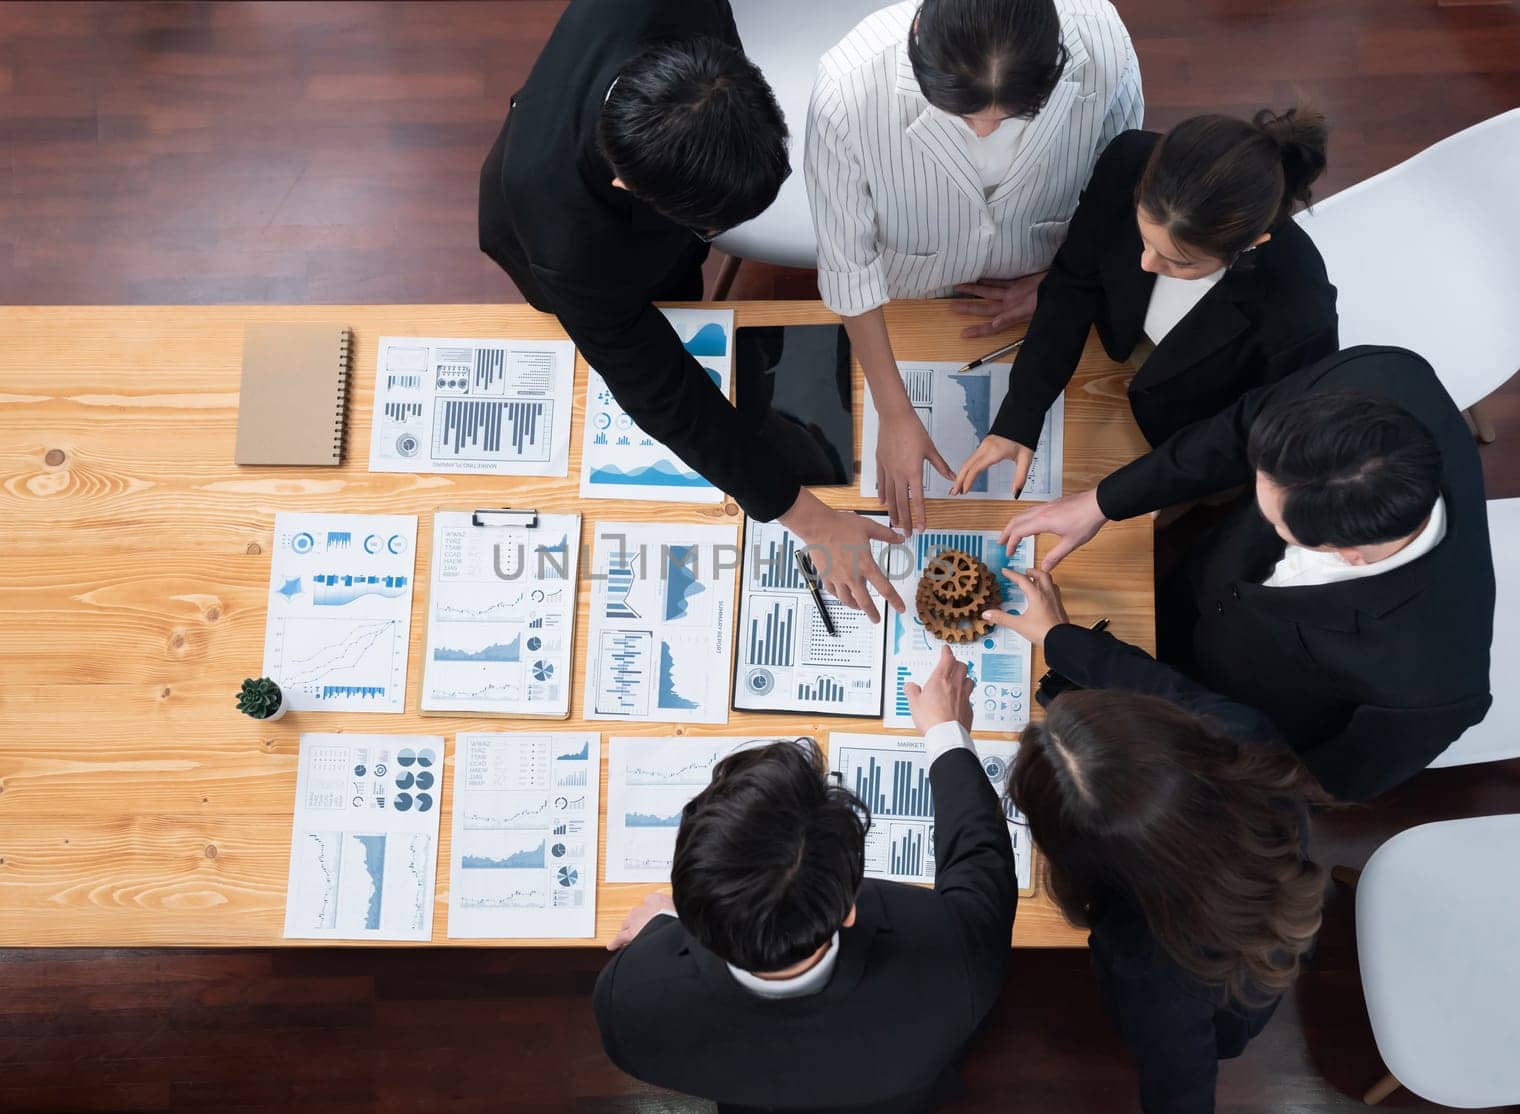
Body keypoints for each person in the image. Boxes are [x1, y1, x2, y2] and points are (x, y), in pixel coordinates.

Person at [480, 0, 901, 621]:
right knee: (645, 319)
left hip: (663, 153)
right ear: (634, 191)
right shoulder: (561, 229)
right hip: (549, 235)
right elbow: (662, 392)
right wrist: (807, 515)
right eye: (712, 225)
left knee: (683, 286)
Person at [998, 346, 1495, 800]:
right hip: (1197, 592)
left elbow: (1294, 771)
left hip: (1220, 710)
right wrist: (1101, 502)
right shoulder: (1382, 376)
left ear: (1348, 553)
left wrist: (1068, 643)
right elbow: (1239, 430)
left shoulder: (1427, 691)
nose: (1255, 508)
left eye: (1275, 520)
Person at [593, 653, 1018, 1113]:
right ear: (850, 908)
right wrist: (946, 732)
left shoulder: (629, 1000)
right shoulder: (956, 961)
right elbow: (980, 861)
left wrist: (660, 925)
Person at [981, 562, 1326, 1114]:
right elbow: (1158, 683)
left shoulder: (1155, 970)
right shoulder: (1242, 737)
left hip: (1230, 1002)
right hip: (1268, 926)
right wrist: (1058, 639)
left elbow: (1181, 1091)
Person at [806, 0, 1142, 532]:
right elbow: (847, 264)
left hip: (1047, 275)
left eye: (1011, 115)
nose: (984, 132)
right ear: (919, 40)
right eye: (961, 113)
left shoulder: (1105, 49)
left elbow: (1120, 194)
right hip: (909, 287)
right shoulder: (846, 87)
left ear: (1055, 61)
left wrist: (1057, 282)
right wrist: (895, 414)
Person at [952, 108, 1338, 496]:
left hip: (1190, 434)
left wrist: (1116, 497)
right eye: (1144, 237)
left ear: (1250, 246)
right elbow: (1074, 282)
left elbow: (1254, 431)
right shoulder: (1129, 160)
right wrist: (1018, 419)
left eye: (1179, 261)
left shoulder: (1301, 312)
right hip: (1117, 357)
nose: (1146, 263)